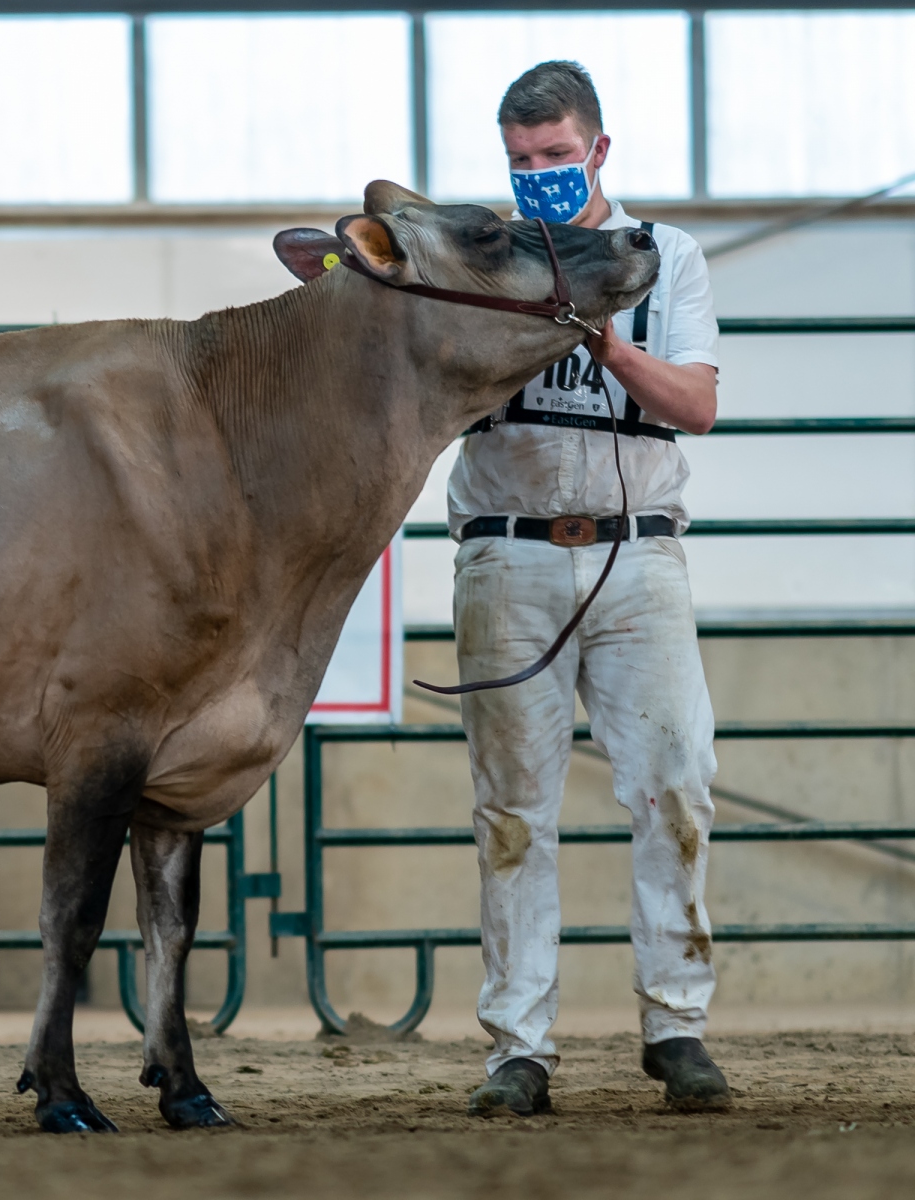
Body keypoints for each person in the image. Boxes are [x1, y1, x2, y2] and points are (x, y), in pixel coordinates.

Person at [448, 62, 728, 1116]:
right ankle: (518, 1049)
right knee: (513, 808)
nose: (539, 175)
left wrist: (602, 341)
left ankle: (676, 1025)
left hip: (638, 552)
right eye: (521, 160)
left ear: (598, 150)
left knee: (676, 781)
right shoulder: (484, 259)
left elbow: (696, 404)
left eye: (557, 155)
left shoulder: (665, 256)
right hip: (507, 551)